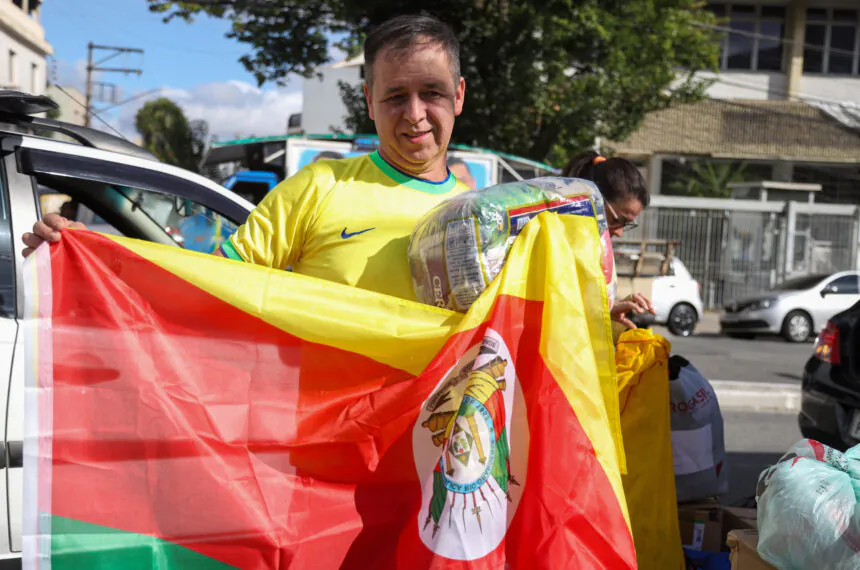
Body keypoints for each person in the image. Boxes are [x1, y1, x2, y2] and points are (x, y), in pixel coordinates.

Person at [21, 14, 469, 302]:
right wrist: (93, 258)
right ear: (370, 101)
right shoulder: (320, 188)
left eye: (431, 93)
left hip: (446, 446)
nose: (415, 114)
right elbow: (207, 284)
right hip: (332, 445)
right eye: (395, 96)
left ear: (459, 96)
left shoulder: (489, 219)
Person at [563, 151, 655, 330]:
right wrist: (604, 312)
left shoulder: (595, 249)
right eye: (616, 220)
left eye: (627, 224)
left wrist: (612, 310)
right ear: (592, 200)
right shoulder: (556, 243)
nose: (619, 232)